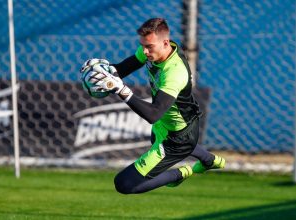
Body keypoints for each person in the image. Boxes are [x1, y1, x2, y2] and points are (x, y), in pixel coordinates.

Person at [80, 18, 225, 194]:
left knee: (124, 184)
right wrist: (104, 70)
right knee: (157, 140)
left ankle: (179, 174)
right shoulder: (155, 50)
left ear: (165, 43)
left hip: (176, 138)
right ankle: (208, 160)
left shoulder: (174, 72)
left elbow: (153, 114)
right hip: (166, 124)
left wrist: (119, 89)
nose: (145, 51)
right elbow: (123, 68)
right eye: (143, 46)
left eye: (149, 47)